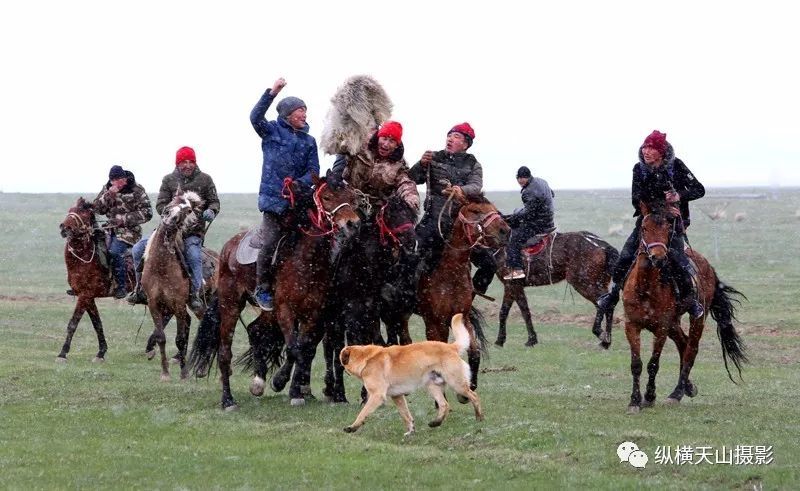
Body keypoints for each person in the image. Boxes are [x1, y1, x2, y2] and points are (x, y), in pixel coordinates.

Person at [597, 130, 706, 318]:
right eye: (645, 147)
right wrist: (663, 207)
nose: (646, 151)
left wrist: (679, 195)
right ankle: (612, 296)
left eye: (651, 148)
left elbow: (699, 190)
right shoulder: (638, 170)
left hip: (671, 225)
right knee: (624, 257)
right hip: (647, 222)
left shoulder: (677, 166)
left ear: (661, 152)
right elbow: (636, 199)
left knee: (680, 261)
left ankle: (690, 301)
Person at [328, 120, 420, 304]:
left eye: (392, 141)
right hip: (350, 204)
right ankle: (330, 279)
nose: (386, 144)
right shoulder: (359, 146)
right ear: (379, 136)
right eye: (384, 138)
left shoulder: (398, 164)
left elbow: (406, 183)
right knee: (341, 240)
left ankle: (392, 285)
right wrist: (342, 136)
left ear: (397, 144)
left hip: (378, 210)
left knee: (400, 242)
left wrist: (412, 200)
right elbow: (337, 145)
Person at [250, 77, 319, 311]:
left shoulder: (309, 141)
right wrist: (272, 93)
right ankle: (263, 288)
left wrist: (298, 184)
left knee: (320, 237)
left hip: (299, 203)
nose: (304, 115)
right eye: (300, 111)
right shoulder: (270, 131)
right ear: (288, 114)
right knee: (269, 243)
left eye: (305, 111)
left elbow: (314, 172)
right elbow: (254, 117)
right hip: (273, 203)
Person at [407, 122, 496, 296]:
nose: (450, 139)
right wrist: (421, 164)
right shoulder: (433, 157)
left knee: (489, 264)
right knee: (411, 253)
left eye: (456, 136)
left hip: (461, 224)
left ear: (465, 144)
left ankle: (472, 294)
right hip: (433, 220)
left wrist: (460, 190)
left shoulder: (473, 164)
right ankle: (407, 294)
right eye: (449, 135)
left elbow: (476, 186)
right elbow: (412, 179)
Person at [126, 146, 220, 311]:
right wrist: (173, 212)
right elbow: (160, 204)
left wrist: (211, 210)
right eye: (184, 162)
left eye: (191, 161)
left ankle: (196, 294)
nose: (187, 165)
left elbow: (214, 201)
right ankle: (139, 289)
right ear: (178, 163)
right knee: (138, 249)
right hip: (167, 230)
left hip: (192, 232)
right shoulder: (168, 180)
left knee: (193, 255)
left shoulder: (205, 179)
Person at [92, 165, 153, 298]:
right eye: (112, 180)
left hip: (129, 232)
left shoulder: (136, 189)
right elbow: (97, 208)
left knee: (115, 251)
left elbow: (147, 213)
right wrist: (108, 195)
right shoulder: (108, 188)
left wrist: (124, 219)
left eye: (118, 180)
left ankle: (121, 286)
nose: (115, 183)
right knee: (92, 249)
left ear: (124, 179)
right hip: (109, 230)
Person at [502, 165, 555, 280]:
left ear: (528, 177)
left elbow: (529, 214)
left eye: (522, 178)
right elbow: (552, 194)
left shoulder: (528, 191)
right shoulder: (541, 181)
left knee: (514, 237)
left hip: (540, 223)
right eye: (518, 179)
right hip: (549, 219)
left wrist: (513, 218)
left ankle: (517, 269)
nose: (520, 181)